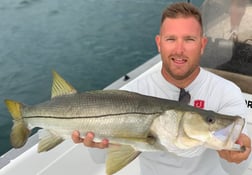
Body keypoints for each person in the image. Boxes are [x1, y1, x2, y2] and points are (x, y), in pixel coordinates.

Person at [72, 2, 251, 175]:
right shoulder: (133, 92)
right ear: (159, 43)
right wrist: (97, 144)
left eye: (189, 39)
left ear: (202, 45)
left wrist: (240, 155)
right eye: (171, 39)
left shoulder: (227, 92)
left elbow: (235, 170)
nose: (179, 49)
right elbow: (100, 158)